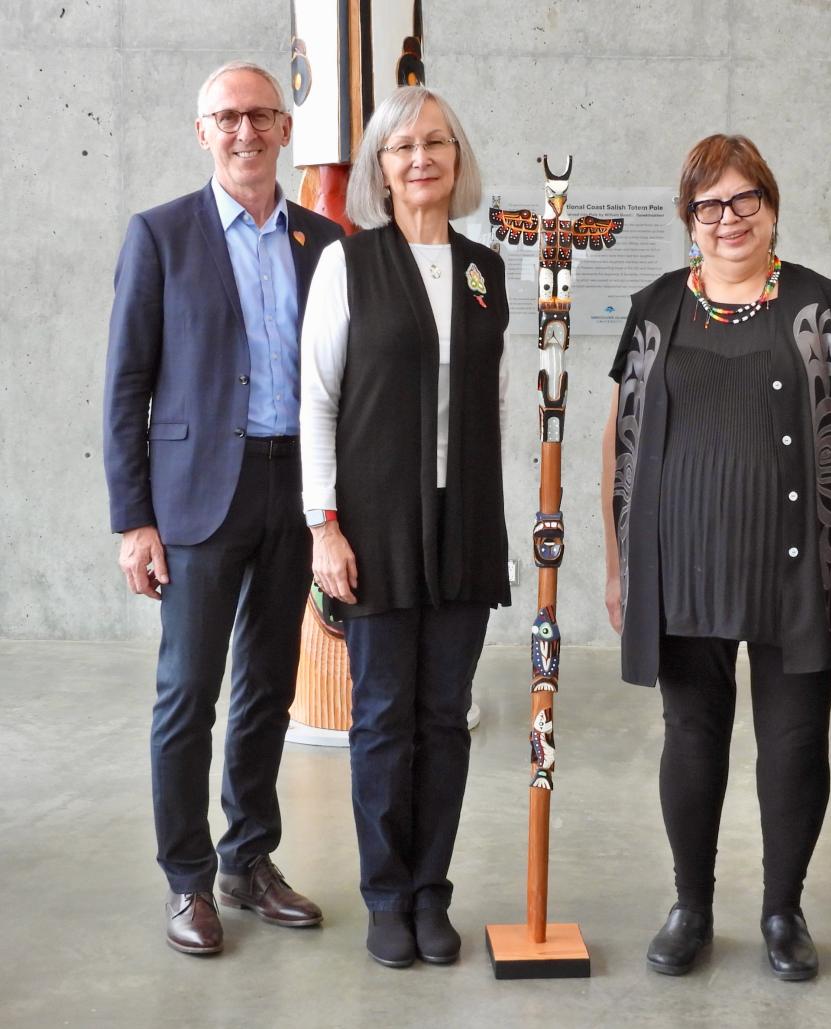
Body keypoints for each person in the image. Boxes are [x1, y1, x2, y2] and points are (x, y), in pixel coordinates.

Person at [600, 134, 831, 980]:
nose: (727, 220)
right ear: (688, 219)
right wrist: (621, 564)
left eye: (743, 201)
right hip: (679, 560)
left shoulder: (821, 306)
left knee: (794, 744)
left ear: (770, 205)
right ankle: (691, 904)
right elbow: (617, 440)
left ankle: (782, 910)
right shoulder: (656, 305)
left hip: (797, 562)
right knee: (690, 735)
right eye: (708, 206)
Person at [103, 61, 344, 956]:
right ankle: (186, 878)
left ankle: (249, 858)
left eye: (260, 116)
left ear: (286, 129)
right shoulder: (160, 236)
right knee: (186, 693)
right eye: (226, 118)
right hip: (199, 497)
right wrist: (135, 519)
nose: (245, 131)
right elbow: (126, 385)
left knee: (268, 689)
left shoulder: (324, 242)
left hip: (296, 487)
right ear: (201, 131)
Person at [300, 86, 509, 969]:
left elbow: (492, 401)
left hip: (462, 523)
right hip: (376, 526)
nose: (421, 157)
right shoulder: (349, 264)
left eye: (437, 142)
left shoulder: (486, 268)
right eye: (401, 147)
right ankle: (386, 894)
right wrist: (324, 525)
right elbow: (317, 401)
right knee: (384, 717)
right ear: (380, 170)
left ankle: (432, 891)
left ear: (457, 160)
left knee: (444, 717)